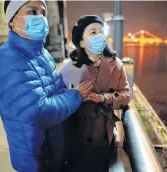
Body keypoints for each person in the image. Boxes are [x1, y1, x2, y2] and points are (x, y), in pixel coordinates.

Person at [0, 1, 93, 172]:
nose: (40, 18)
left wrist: (72, 90)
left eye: (42, 13)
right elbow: (38, 113)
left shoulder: (42, 54)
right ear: (12, 22)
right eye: (32, 12)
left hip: (55, 152)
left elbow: (56, 91)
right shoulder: (5, 59)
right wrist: (75, 95)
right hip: (37, 161)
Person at [59, 15, 132, 172]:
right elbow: (58, 99)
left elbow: (126, 94)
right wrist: (72, 96)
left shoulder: (116, 64)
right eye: (93, 32)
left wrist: (102, 97)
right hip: (76, 131)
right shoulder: (67, 68)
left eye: (101, 31)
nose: (99, 36)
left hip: (103, 133)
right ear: (81, 41)